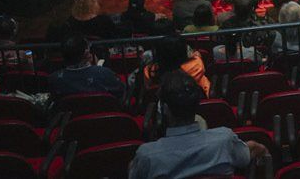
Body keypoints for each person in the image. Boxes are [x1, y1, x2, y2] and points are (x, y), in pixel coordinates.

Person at [129, 70, 266, 179]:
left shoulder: (147, 156)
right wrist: (262, 150)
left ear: (165, 109)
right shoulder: (224, 140)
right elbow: (249, 154)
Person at [49, 35, 126, 100]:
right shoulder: (104, 73)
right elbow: (121, 91)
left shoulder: (54, 79)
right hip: (105, 114)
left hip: (71, 117)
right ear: (86, 52)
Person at [145, 35, 211, 96]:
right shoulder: (196, 65)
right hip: (198, 100)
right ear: (183, 52)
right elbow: (196, 56)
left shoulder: (149, 70)